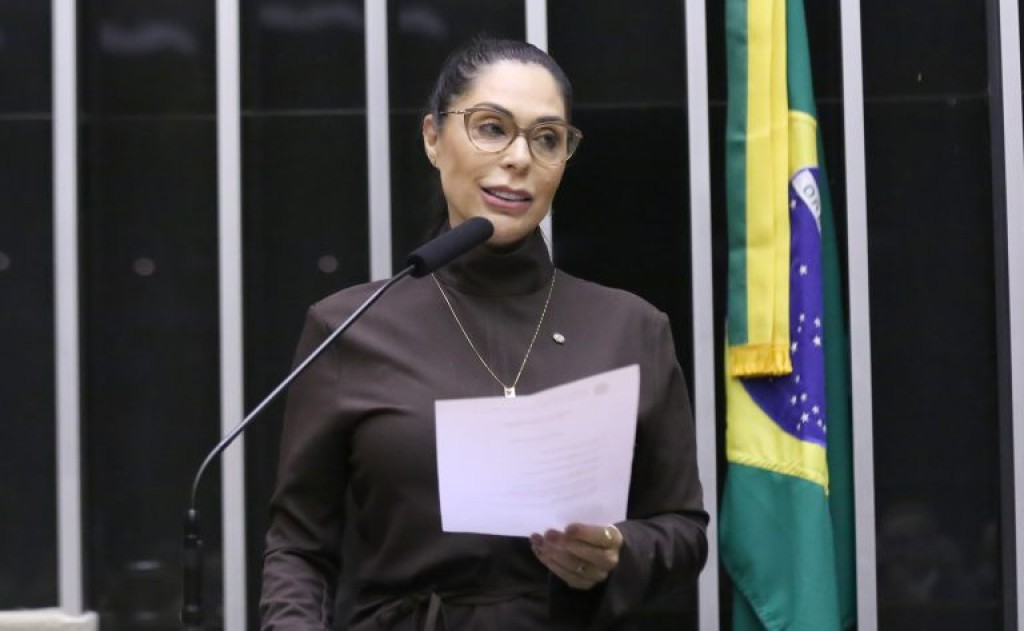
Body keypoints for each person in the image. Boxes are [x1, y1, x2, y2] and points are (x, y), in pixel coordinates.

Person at [260, 37, 708, 630]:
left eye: (546, 138)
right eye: (492, 128)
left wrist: (617, 551)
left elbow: (683, 529)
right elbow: (298, 548)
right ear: (432, 138)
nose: (520, 158)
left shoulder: (631, 328)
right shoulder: (351, 326)